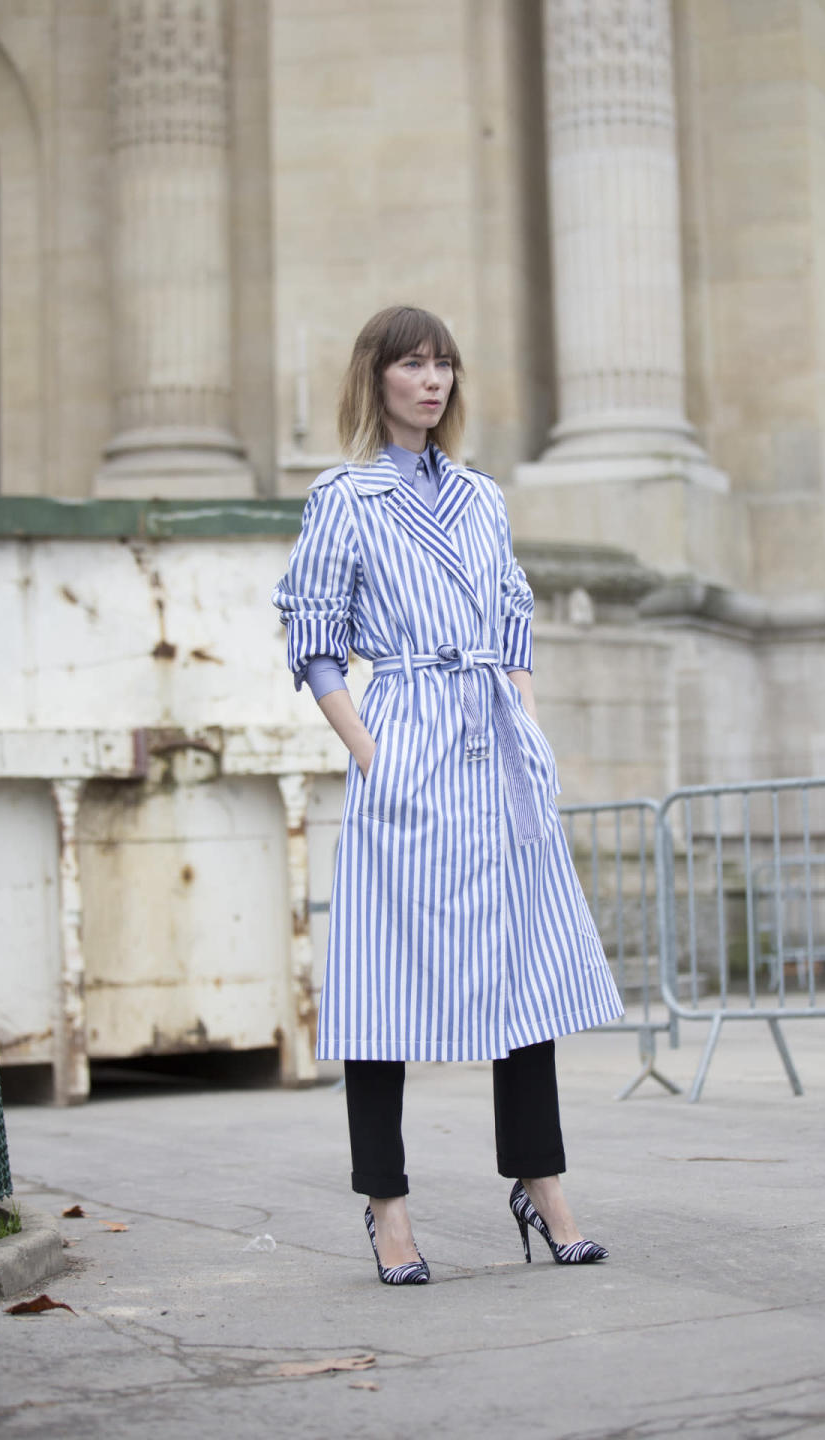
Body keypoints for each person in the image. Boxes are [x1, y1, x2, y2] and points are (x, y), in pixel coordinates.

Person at [272, 306, 623, 1285]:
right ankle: (388, 1211)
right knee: (381, 982)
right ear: (376, 377)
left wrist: (531, 731)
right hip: (410, 735)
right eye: (412, 364)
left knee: (524, 980)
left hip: (497, 745)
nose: (432, 380)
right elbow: (314, 638)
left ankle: (541, 1185)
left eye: (443, 365)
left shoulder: (481, 496)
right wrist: (372, 754)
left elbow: (513, 625)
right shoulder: (344, 496)